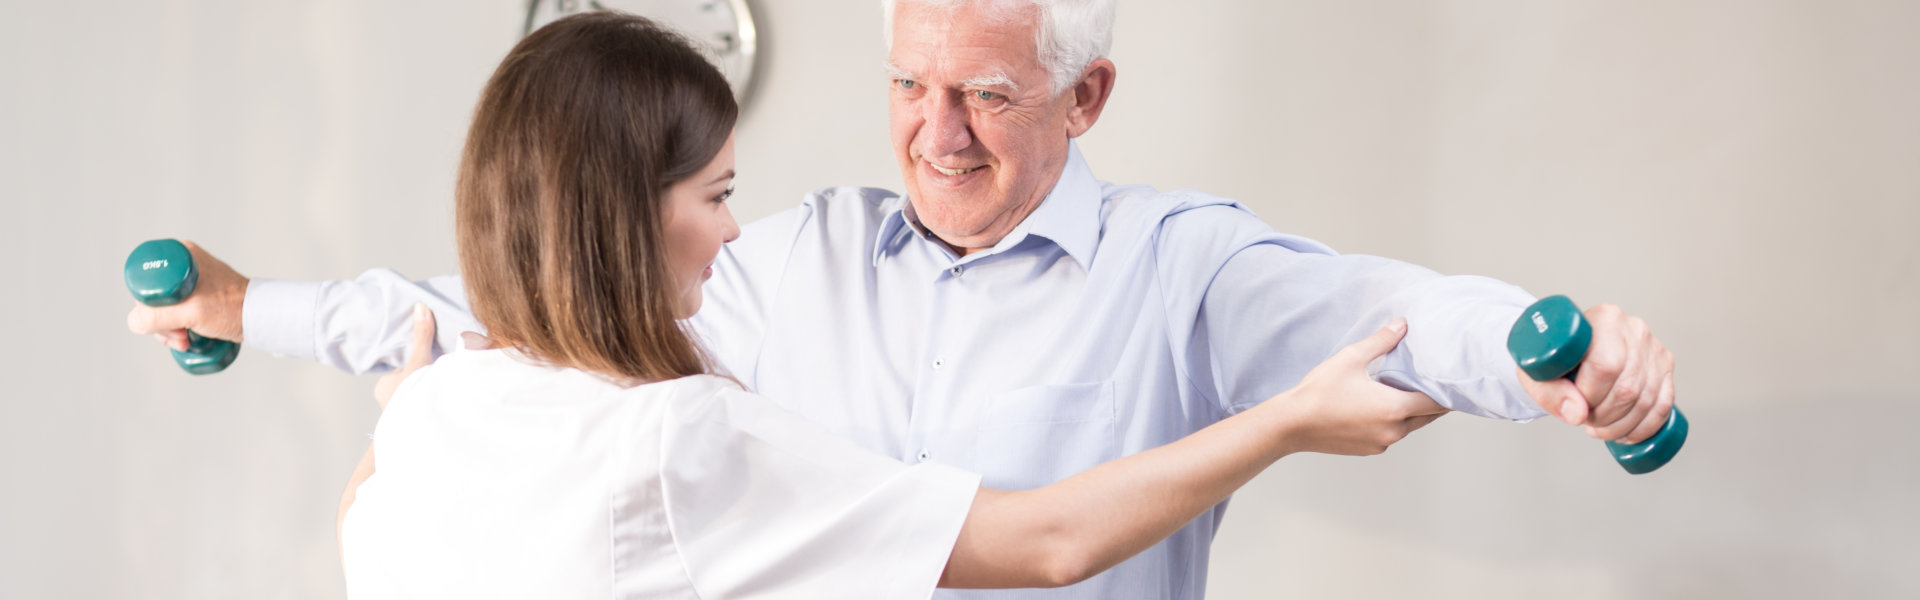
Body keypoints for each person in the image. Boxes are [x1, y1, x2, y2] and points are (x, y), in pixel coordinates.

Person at [131, 1, 1679, 597]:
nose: (935, 131)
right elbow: (523, 320)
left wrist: (1573, 360)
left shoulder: (1184, 265)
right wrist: (253, 306)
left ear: (1088, 98)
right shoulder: (777, 263)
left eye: (987, 94)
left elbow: (1396, 316)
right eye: (907, 85)